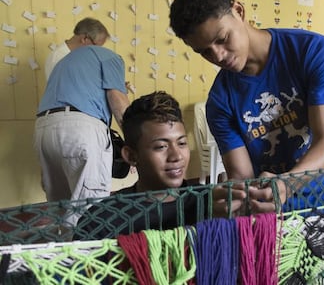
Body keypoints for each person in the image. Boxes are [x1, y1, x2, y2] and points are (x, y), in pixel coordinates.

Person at [170, 0, 324, 214]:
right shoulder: (219, 102)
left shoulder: (312, 51)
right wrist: (233, 198)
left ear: (239, 11)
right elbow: (242, 176)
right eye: (204, 52)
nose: (219, 56)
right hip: (271, 213)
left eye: (222, 39)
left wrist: (286, 183)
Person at [74, 91, 209, 239]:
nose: (176, 156)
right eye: (160, 146)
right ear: (131, 156)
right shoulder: (101, 221)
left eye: (182, 143)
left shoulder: (209, 203)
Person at [34, 45, 130, 226]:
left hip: (43, 128)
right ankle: (87, 252)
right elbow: (118, 101)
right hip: (80, 129)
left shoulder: (65, 61)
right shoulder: (111, 58)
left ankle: (62, 249)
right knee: (90, 209)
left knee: (59, 207)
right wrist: (134, 144)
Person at [44, 17, 109, 81]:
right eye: (96, 46)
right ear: (84, 39)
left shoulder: (81, 55)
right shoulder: (58, 58)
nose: (96, 51)